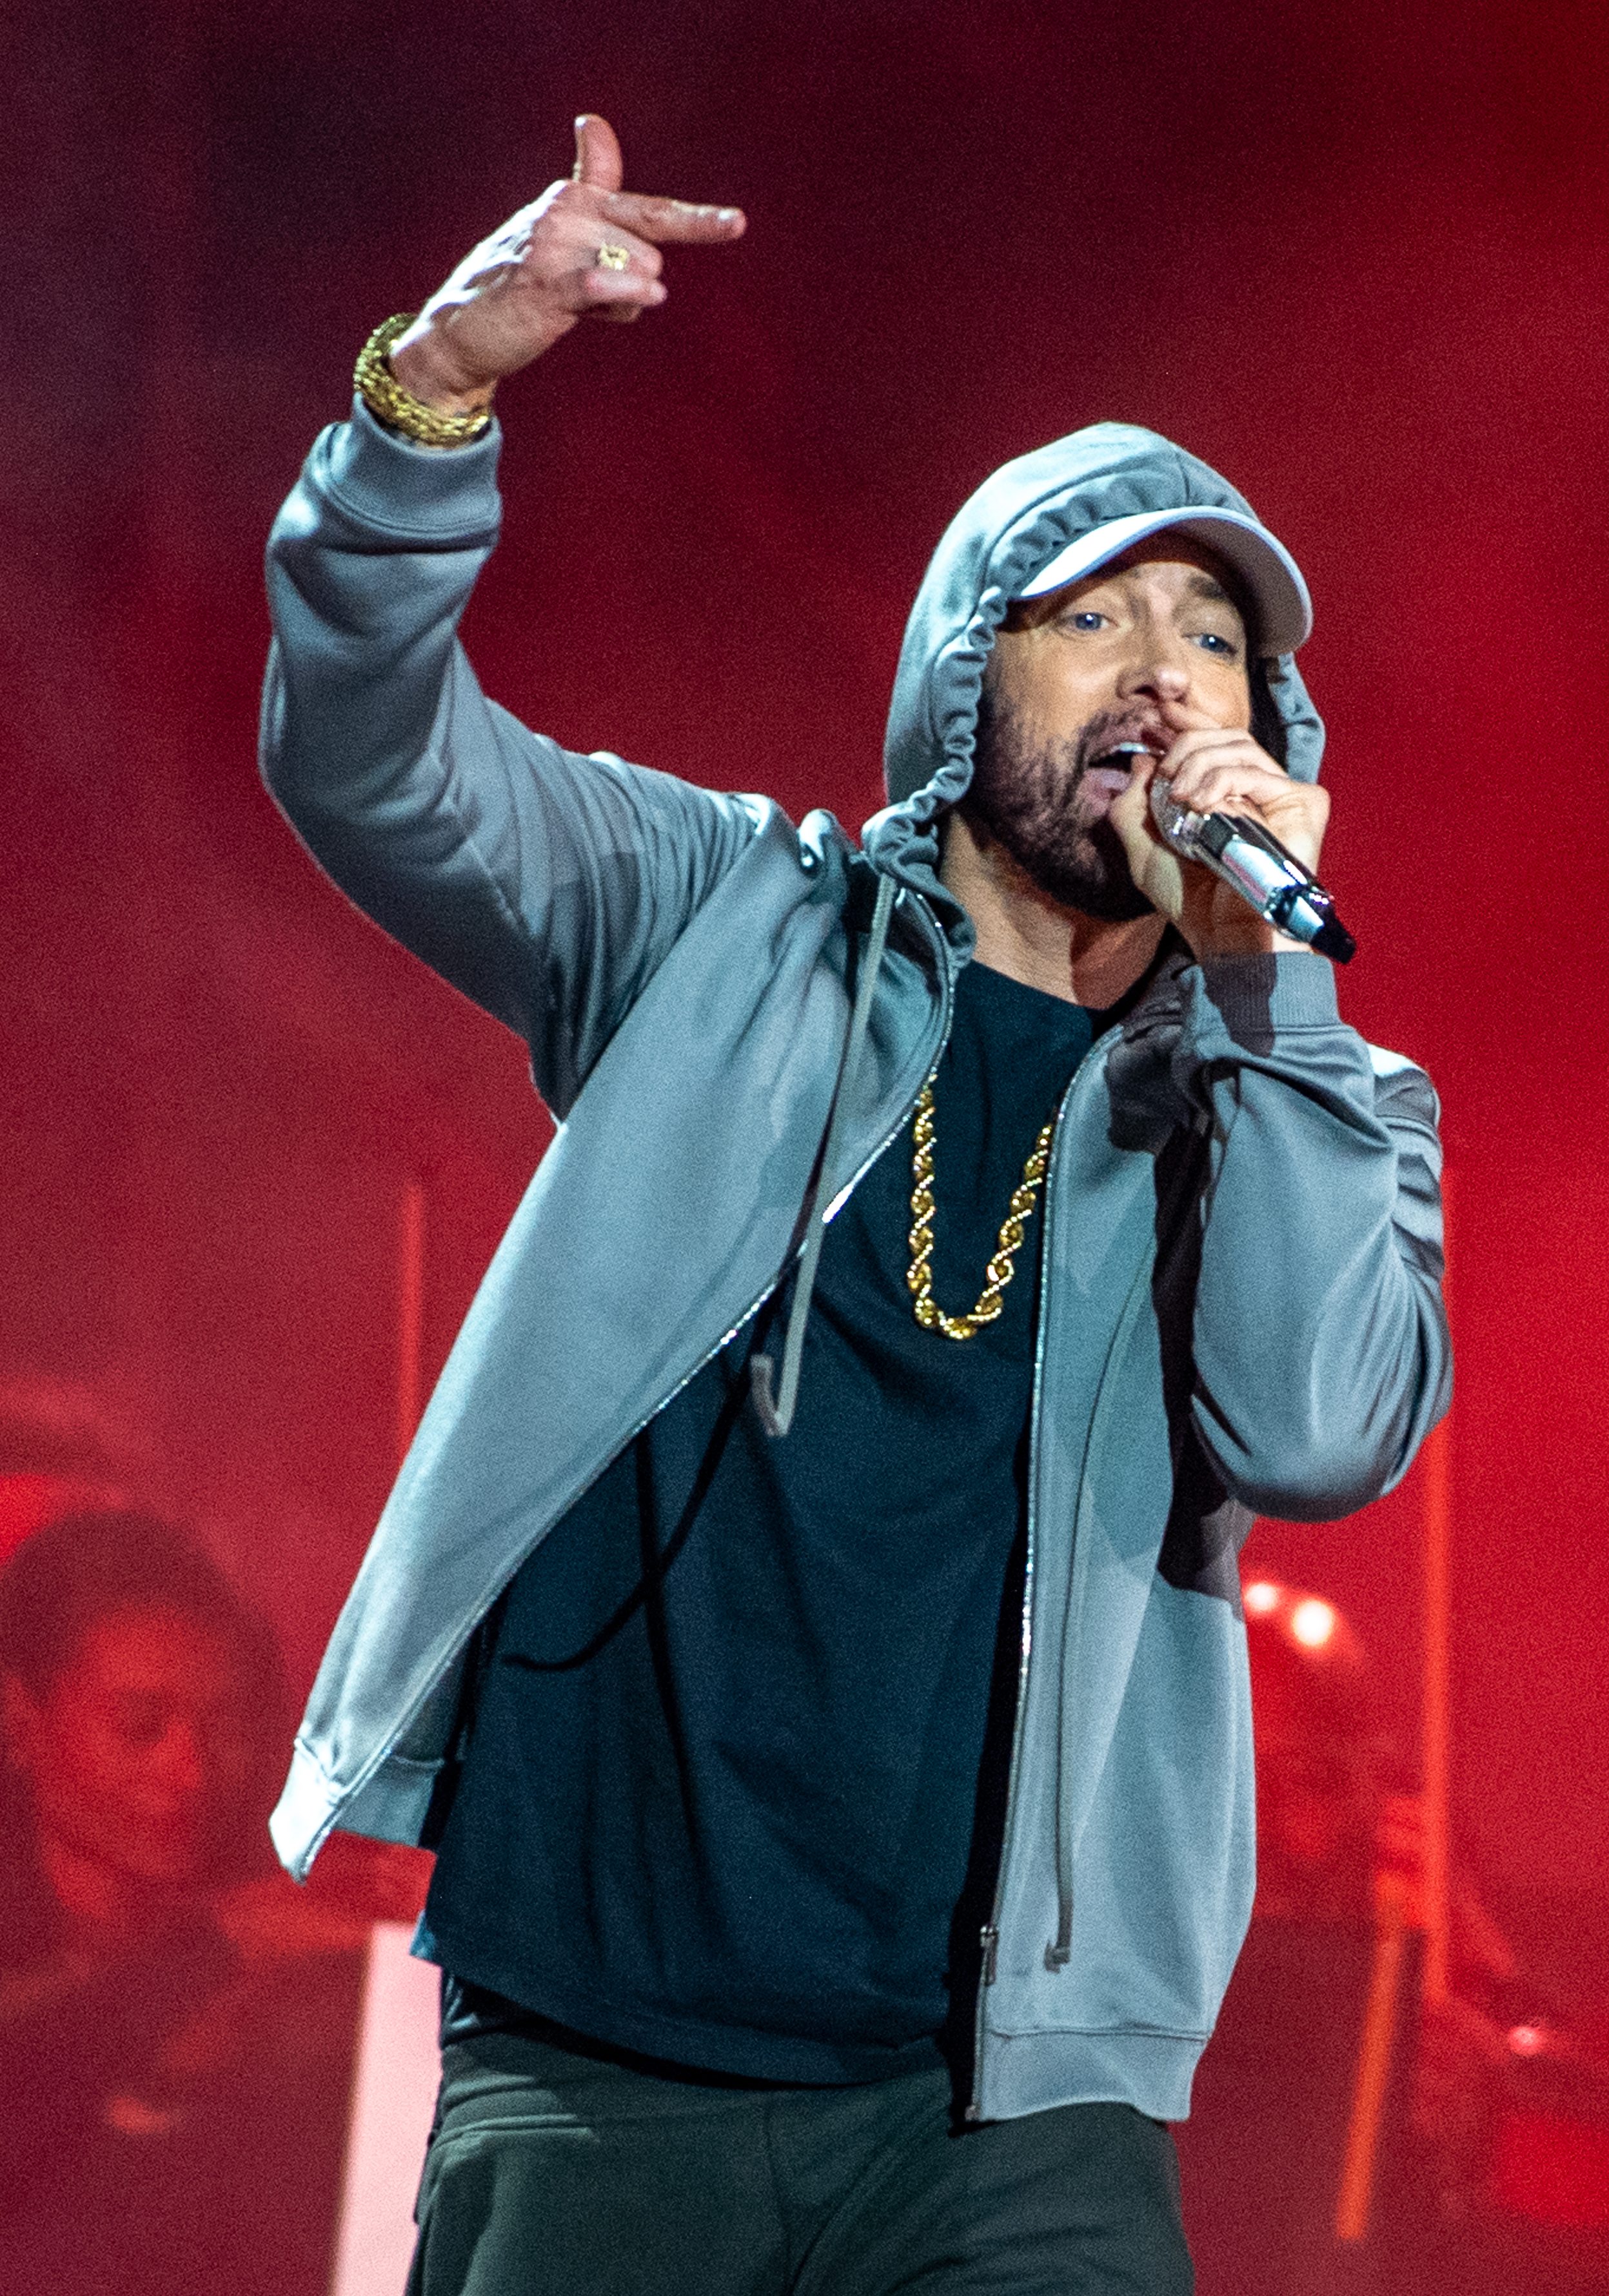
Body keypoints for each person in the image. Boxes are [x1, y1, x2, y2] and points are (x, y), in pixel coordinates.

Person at [260, 114, 1451, 2295]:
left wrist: (1269, 1002)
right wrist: (430, 400)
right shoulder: (711, 918)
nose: (1162, 672)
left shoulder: (1300, 1091)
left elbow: (1313, 1432)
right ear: (956, 678)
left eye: (1210, 635)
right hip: (600, 2050)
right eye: (1089, 616)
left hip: (1012, 2116)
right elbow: (370, 760)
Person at [0, 1505, 426, 2295]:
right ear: (20, 1718)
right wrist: (214, 1948)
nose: (191, 1771)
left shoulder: (291, 1903)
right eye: (140, 1723)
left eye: (222, 1723)